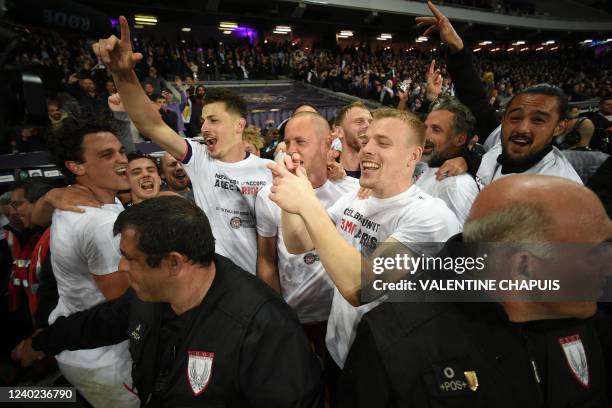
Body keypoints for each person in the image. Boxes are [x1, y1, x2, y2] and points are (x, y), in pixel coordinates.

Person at [13, 197, 323, 407]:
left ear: (173, 263)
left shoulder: (264, 329)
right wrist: (40, 343)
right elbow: (100, 323)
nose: (121, 267)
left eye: (129, 258)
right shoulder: (148, 295)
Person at [339, 175, 611, 407]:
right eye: (596, 251)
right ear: (524, 267)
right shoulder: (395, 341)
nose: (608, 266)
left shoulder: (587, 320)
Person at [268, 108, 461, 370]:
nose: (366, 149)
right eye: (367, 140)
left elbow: (363, 287)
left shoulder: (430, 216)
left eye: (382, 143)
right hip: (341, 349)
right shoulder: (355, 199)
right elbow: (298, 243)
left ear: (413, 156)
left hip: (389, 366)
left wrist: (307, 203)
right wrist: (291, 202)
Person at [93, 18, 273, 274]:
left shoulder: (269, 170)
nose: (204, 128)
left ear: (239, 125)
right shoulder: (199, 158)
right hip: (211, 282)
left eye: (214, 120)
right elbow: (151, 125)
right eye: (203, 121)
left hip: (255, 284)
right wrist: (122, 73)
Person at [30, 116, 138, 407]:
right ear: (76, 167)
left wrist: (50, 196)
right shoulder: (100, 225)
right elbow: (122, 304)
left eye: (120, 151)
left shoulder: (82, 199)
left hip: (81, 347)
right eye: (106, 155)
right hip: (104, 357)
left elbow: (35, 218)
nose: (121, 160)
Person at [415, 1, 582, 187]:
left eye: (538, 120)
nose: (522, 128)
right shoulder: (501, 145)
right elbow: (477, 103)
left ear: (559, 127)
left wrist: (469, 161)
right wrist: (457, 49)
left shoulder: (563, 188)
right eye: (515, 118)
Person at [256, 112, 358, 357]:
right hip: (294, 317)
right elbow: (267, 260)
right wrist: (277, 314)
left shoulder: (353, 192)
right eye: (288, 142)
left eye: (300, 142)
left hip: (344, 315)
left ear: (326, 144)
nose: (292, 150)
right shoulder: (269, 195)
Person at [416, 96, 479, 224]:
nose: (425, 135)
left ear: (460, 139)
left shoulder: (456, 185)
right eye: (425, 127)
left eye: (436, 130)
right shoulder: (419, 166)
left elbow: (459, 241)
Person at [11, 178, 58, 329]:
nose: (13, 211)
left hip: (54, 329)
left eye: (18, 204)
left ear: (40, 201)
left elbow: (54, 292)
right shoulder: (38, 235)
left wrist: (43, 334)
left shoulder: (56, 236)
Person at [333, 102, 372, 178]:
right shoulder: (324, 174)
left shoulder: (382, 175)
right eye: (359, 121)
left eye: (371, 122)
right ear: (339, 132)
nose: (368, 126)